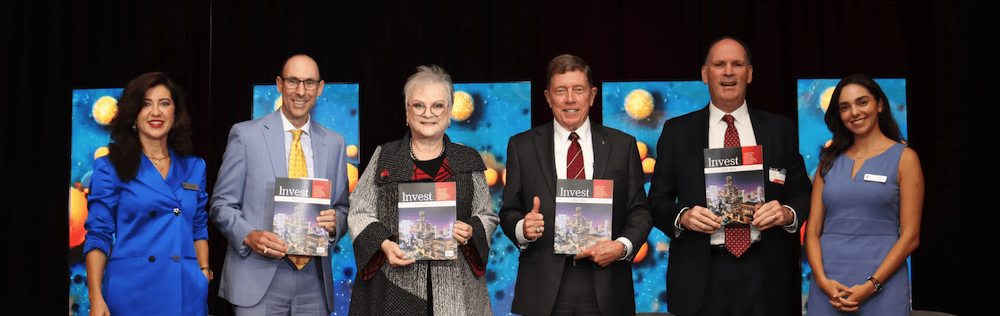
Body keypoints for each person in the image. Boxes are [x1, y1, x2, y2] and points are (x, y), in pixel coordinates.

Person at [647, 37, 812, 316]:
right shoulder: (677, 132)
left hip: (766, 272)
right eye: (719, 64)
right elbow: (657, 201)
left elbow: (802, 193)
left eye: (737, 64)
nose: (728, 72)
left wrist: (788, 213)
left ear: (749, 73)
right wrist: (683, 216)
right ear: (704, 74)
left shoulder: (780, 129)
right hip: (700, 274)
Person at [499, 54, 652, 316]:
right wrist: (522, 227)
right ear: (548, 97)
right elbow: (508, 209)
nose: (570, 99)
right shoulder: (522, 146)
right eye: (561, 91)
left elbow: (639, 210)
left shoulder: (623, 145)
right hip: (544, 287)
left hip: (606, 285)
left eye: (578, 90)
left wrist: (622, 246)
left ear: (592, 95)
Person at [348, 65, 497, 315]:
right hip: (392, 287)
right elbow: (359, 211)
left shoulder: (468, 160)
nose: (428, 113)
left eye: (438, 106)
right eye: (418, 105)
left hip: (456, 291)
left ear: (449, 114)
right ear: (407, 113)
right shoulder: (384, 156)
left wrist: (472, 229)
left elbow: (487, 215)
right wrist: (383, 243)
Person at [210, 54, 349, 315]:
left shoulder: (335, 143)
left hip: (313, 284)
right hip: (257, 277)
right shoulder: (245, 135)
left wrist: (335, 226)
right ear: (279, 84)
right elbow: (221, 205)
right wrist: (249, 236)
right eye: (293, 81)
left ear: (320, 88)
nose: (300, 91)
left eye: (309, 83)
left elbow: (342, 208)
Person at [84, 72, 210, 315]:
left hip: (187, 294)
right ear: (133, 115)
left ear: (175, 114)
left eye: (164, 103)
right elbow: (98, 235)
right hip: (132, 294)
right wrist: (96, 297)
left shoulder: (195, 167)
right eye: (146, 104)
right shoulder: (109, 168)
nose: (156, 112)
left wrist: (204, 272)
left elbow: (198, 225)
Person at [805, 74, 923, 315]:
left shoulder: (905, 158)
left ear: (879, 104)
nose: (855, 112)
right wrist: (821, 281)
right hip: (828, 288)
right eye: (845, 107)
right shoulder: (827, 162)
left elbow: (910, 237)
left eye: (862, 102)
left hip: (883, 285)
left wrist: (871, 286)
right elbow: (812, 232)